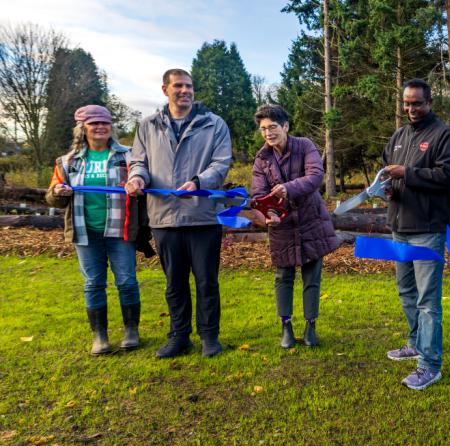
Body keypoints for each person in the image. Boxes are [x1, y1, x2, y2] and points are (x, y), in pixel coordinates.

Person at [125, 69, 232, 358]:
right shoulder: (147, 126)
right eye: (178, 86)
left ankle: (209, 336)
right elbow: (139, 162)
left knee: (207, 281)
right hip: (164, 218)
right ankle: (179, 336)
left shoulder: (214, 124)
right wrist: (137, 179)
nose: (185, 91)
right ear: (165, 90)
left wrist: (197, 183)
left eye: (189, 86)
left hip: (203, 216)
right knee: (174, 283)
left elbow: (221, 164)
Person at [45, 105, 149, 356]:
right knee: (93, 283)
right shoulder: (67, 161)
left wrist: (138, 182)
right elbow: (52, 196)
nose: (100, 127)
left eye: (105, 123)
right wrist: (58, 192)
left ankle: (131, 330)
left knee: (126, 281)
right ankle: (99, 336)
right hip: (85, 231)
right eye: (94, 124)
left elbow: (144, 180)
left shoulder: (128, 156)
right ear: (83, 128)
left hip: (119, 229)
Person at [381, 78, 450, 390]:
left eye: (417, 103)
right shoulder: (398, 136)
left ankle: (430, 364)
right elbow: (387, 170)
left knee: (428, 301)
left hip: (427, 230)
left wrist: (407, 174)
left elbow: (448, 176)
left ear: (429, 103)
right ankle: (415, 343)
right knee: (406, 292)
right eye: (407, 103)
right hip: (399, 227)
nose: (411, 109)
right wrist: (387, 189)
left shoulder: (443, 135)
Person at [250, 105, 341, 349]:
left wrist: (288, 188)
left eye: (272, 127)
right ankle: (286, 327)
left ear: (286, 126)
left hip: (311, 221)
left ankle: (311, 326)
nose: (268, 133)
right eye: (263, 129)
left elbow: (315, 176)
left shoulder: (305, 145)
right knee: (283, 277)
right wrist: (268, 215)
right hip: (282, 227)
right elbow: (258, 193)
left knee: (312, 277)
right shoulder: (262, 158)